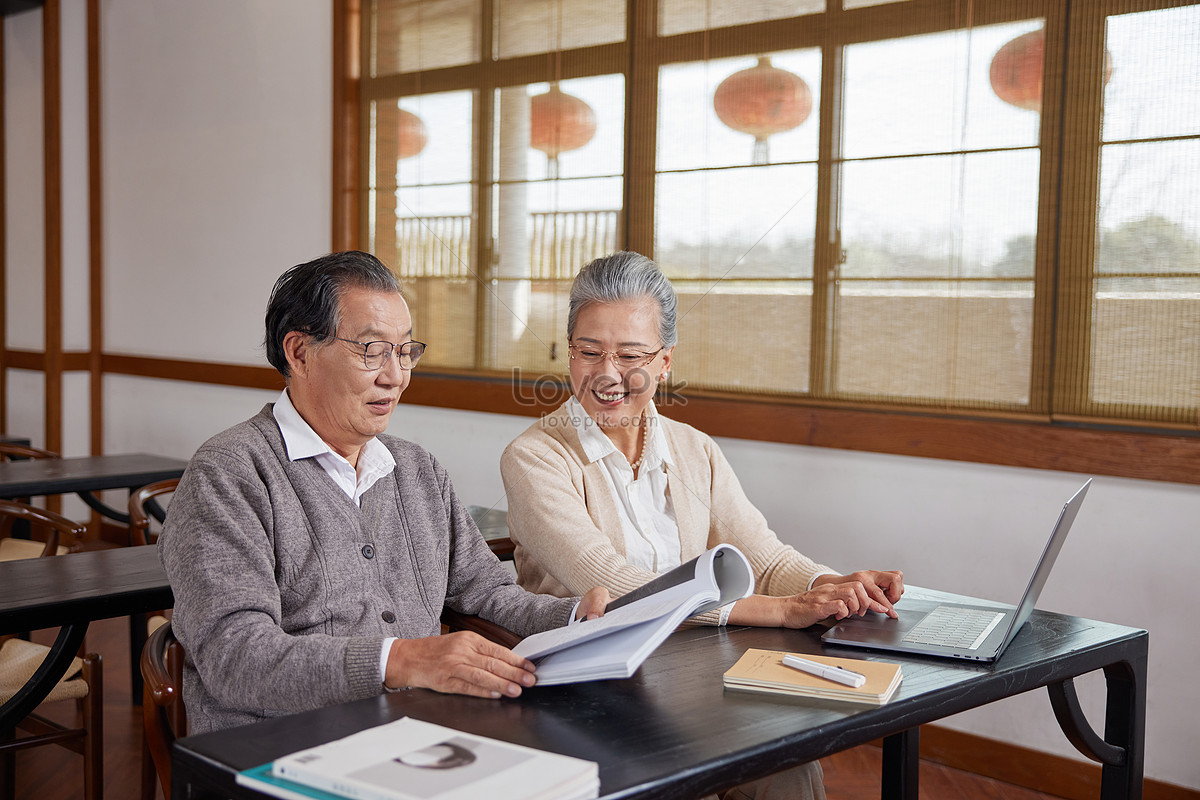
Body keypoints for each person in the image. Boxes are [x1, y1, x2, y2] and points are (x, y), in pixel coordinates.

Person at [500, 251, 905, 800]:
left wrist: (831, 587)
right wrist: (780, 610)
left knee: (788, 769)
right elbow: (621, 590)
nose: (607, 375)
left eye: (631, 355)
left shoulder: (695, 449)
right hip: (588, 689)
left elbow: (763, 554)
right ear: (568, 353)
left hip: (693, 672)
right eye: (589, 352)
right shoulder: (535, 457)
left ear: (665, 362)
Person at [159, 251, 607, 734]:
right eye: (372, 350)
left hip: (415, 730)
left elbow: (485, 592)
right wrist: (401, 659)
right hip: (275, 745)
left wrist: (577, 618)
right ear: (299, 352)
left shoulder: (417, 470)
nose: (395, 376)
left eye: (404, 351)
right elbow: (236, 658)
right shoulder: (229, 473)